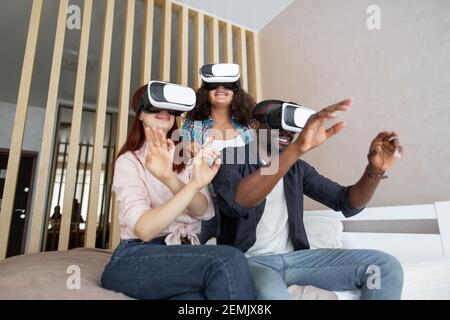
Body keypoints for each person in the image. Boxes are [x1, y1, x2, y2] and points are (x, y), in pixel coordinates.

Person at [212, 98, 404, 300]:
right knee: (272, 293)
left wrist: (373, 171)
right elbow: (239, 200)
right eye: (278, 122)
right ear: (254, 125)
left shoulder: (297, 169)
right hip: (249, 263)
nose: (287, 132)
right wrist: (297, 150)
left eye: (291, 126)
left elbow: (346, 202)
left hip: (298, 261)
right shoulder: (231, 157)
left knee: (384, 267)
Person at [101, 81, 255, 300]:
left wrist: (173, 179)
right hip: (137, 255)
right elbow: (144, 230)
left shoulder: (186, 156)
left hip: (184, 253)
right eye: (155, 106)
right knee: (228, 259)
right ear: (140, 115)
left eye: (170, 107)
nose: (164, 111)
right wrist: (172, 179)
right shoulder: (129, 161)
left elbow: (205, 211)